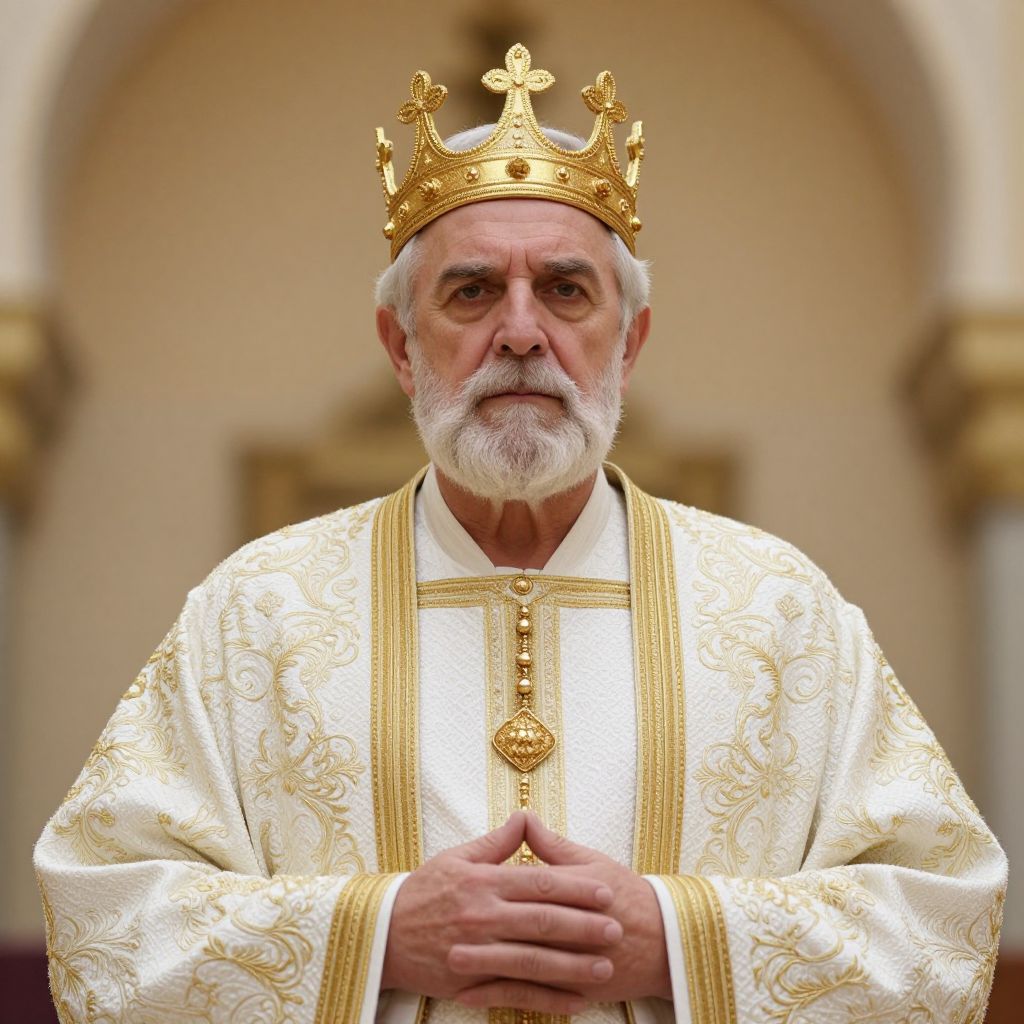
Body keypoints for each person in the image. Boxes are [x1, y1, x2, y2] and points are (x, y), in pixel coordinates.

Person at [35, 43, 1006, 1024]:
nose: (519, 331)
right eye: (468, 292)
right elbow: (106, 929)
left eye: (566, 290)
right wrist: (379, 932)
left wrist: (672, 938)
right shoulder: (255, 613)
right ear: (400, 349)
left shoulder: (782, 613)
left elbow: (939, 927)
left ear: (628, 341)